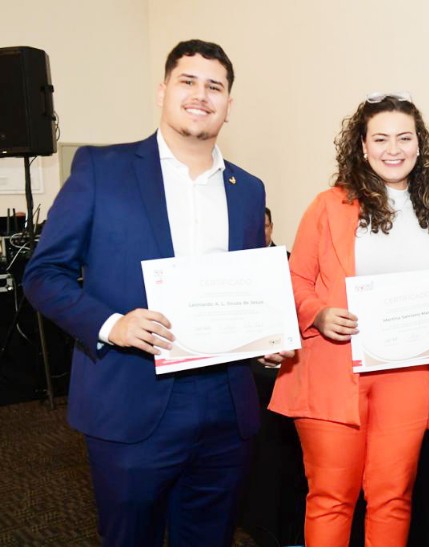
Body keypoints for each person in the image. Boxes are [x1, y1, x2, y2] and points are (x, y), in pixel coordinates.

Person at [22, 39, 291, 546]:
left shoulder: (248, 188)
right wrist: (113, 325)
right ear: (163, 90)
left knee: (208, 540)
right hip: (130, 394)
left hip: (224, 403)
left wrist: (266, 338)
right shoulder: (102, 170)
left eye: (215, 86)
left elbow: (249, 285)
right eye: (188, 81)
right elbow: (44, 274)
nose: (201, 95)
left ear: (229, 104)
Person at [268, 93, 429, 546]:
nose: (394, 149)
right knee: (332, 497)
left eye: (404, 138)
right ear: (363, 147)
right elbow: (294, 279)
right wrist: (319, 312)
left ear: (419, 145)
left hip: (408, 375)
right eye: (381, 138)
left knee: (393, 497)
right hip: (334, 370)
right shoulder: (329, 205)